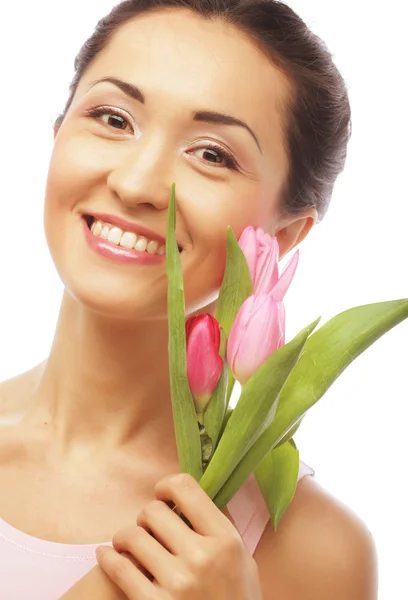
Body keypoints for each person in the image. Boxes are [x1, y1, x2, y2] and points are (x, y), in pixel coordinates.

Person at [0, 0, 378, 598]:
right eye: (113, 118)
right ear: (58, 135)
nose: (136, 183)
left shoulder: (314, 553)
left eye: (211, 154)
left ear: (281, 236)